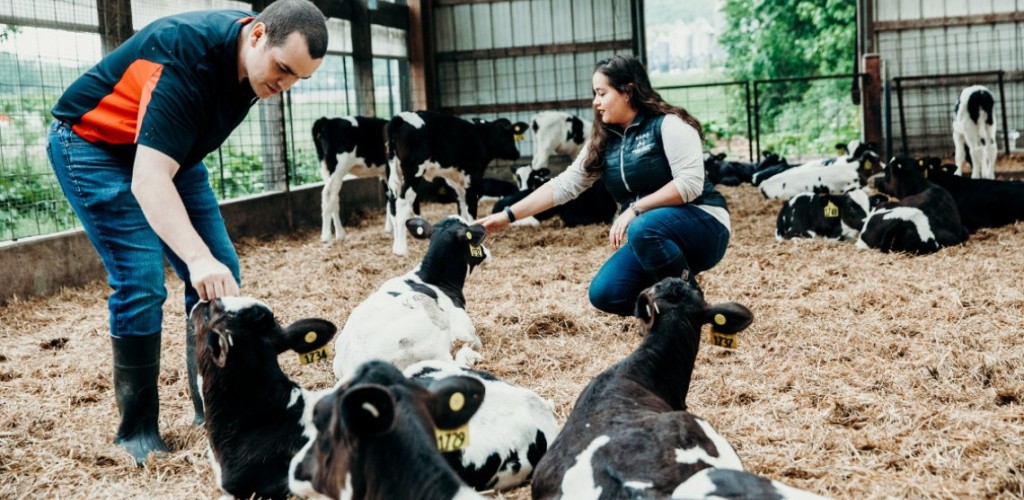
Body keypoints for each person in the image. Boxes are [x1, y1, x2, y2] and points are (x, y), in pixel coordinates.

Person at [45, 0, 327, 466]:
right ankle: (136, 431)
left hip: (171, 153)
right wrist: (194, 258)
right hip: (94, 145)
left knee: (222, 268)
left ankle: (210, 406)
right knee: (140, 280)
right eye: (282, 69)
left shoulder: (256, 68)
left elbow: (166, 160)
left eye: (299, 78)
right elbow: (148, 179)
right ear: (256, 35)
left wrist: (205, 259)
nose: (284, 85)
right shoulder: (186, 57)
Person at [476, 55, 731, 317]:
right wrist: (506, 216)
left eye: (602, 93)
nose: (595, 102)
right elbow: (564, 185)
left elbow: (689, 185)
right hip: (651, 236)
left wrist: (635, 209)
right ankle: (665, 311)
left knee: (643, 227)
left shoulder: (668, 125)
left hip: (704, 224)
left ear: (628, 92)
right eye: (594, 94)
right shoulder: (604, 141)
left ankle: (691, 305)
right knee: (606, 293)